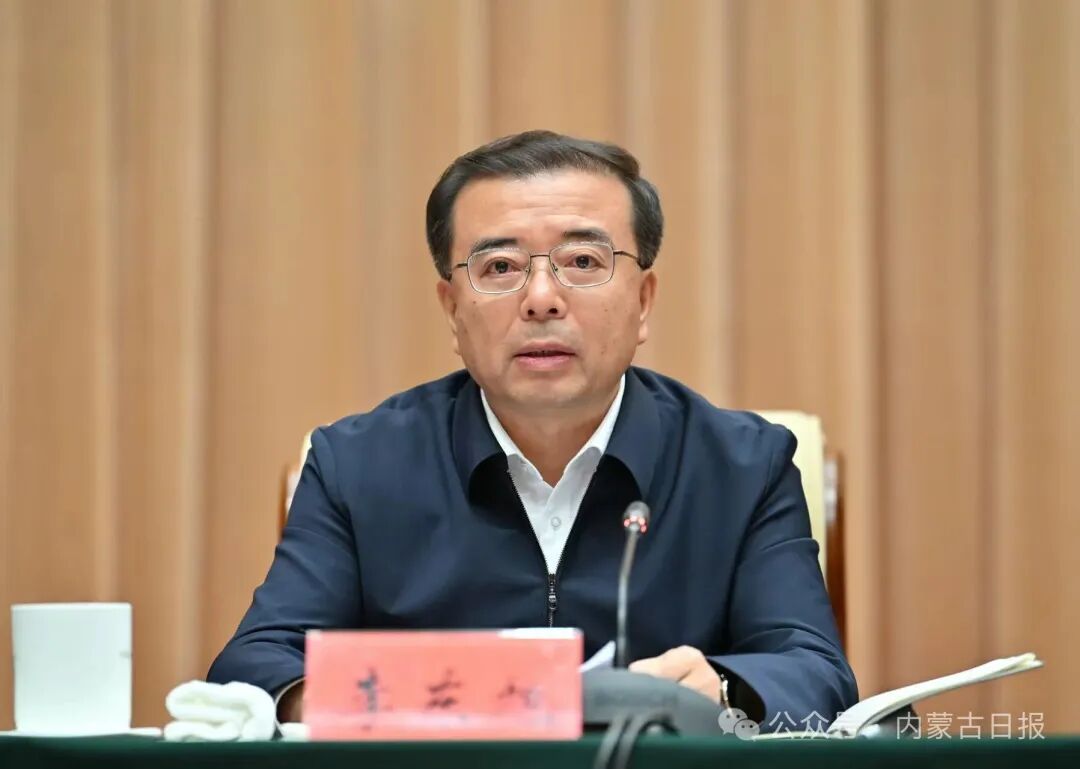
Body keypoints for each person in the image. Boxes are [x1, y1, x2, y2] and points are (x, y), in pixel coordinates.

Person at [207, 130, 858, 727]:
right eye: (500, 267)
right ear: (452, 310)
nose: (542, 298)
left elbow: (815, 673)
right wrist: (377, 697)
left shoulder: (743, 466)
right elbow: (253, 667)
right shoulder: (358, 465)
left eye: (583, 261)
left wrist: (723, 686)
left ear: (643, 301)